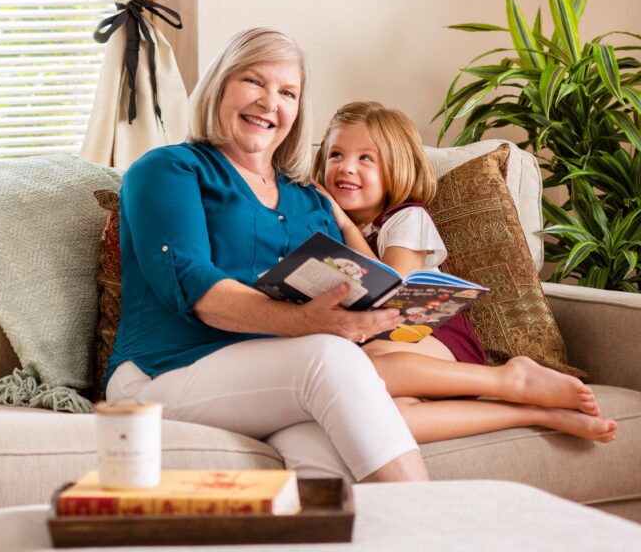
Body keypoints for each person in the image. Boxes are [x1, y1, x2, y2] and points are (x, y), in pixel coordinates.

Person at [104, 28, 428, 482]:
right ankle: (435, 525)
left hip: (275, 382)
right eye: (253, 82)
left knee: (333, 476)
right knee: (330, 359)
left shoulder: (310, 200)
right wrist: (309, 323)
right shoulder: (168, 169)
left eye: (287, 92)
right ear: (219, 86)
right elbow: (195, 284)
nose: (269, 102)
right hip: (165, 371)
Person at [311, 101, 618, 444]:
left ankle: (506, 379)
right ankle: (536, 413)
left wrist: (343, 223)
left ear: (397, 168)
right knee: (387, 422)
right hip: (386, 349)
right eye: (335, 155)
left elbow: (388, 291)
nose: (346, 168)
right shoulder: (324, 229)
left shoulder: (405, 218)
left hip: (435, 338)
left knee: (363, 367)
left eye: (365, 158)